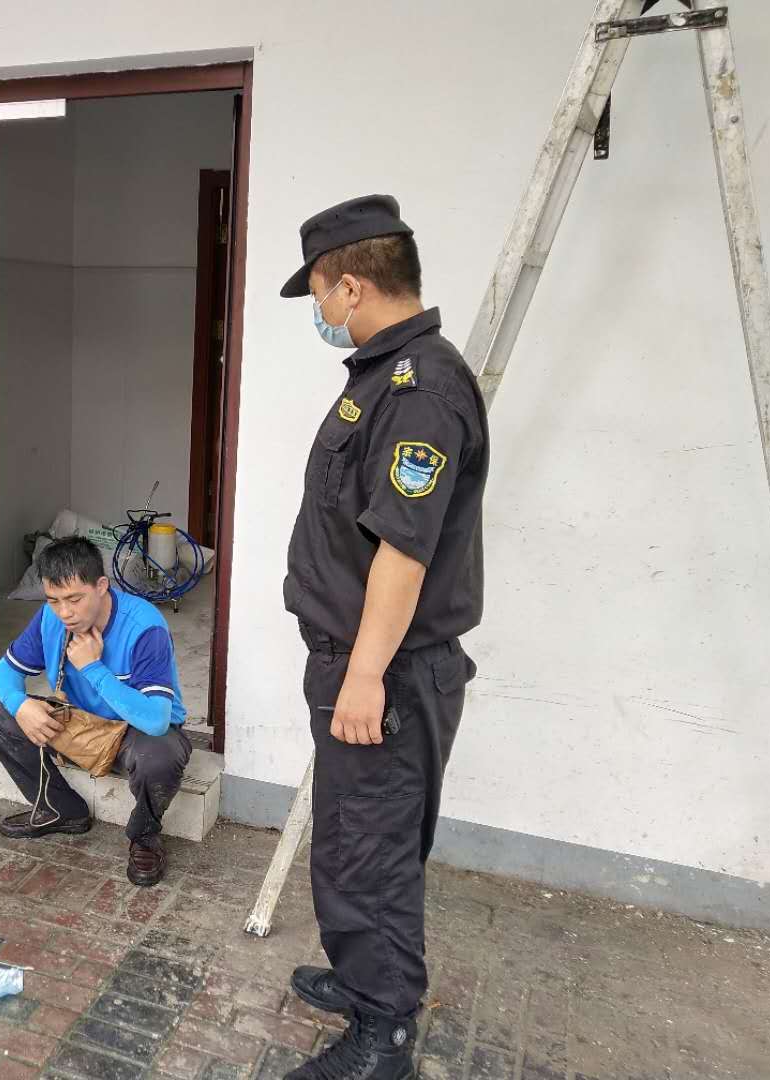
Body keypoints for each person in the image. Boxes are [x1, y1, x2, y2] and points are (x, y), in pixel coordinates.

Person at [278, 195, 489, 1079]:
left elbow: (404, 552)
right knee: (350, 837)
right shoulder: (384, 375)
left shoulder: (421, 391)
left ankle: (385, 1034)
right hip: (358, 664)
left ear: (353, 286)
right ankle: (364, 977)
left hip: (386, 674)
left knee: (373, 851)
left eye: (320, 294)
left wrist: (364, 675)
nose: (321, 311)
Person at [0, 537, 191, 887]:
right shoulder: (51, 618)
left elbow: (156, 719)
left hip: (133, 733)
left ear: (101, 586)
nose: (64, 612)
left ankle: (145, 835)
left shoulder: (144, 626)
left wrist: (92, 668)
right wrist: (21, 705)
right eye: (54, 600)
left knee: (160, 754)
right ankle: (60, 809)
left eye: (75, 599)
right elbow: (4, 673)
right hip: (80, 724)